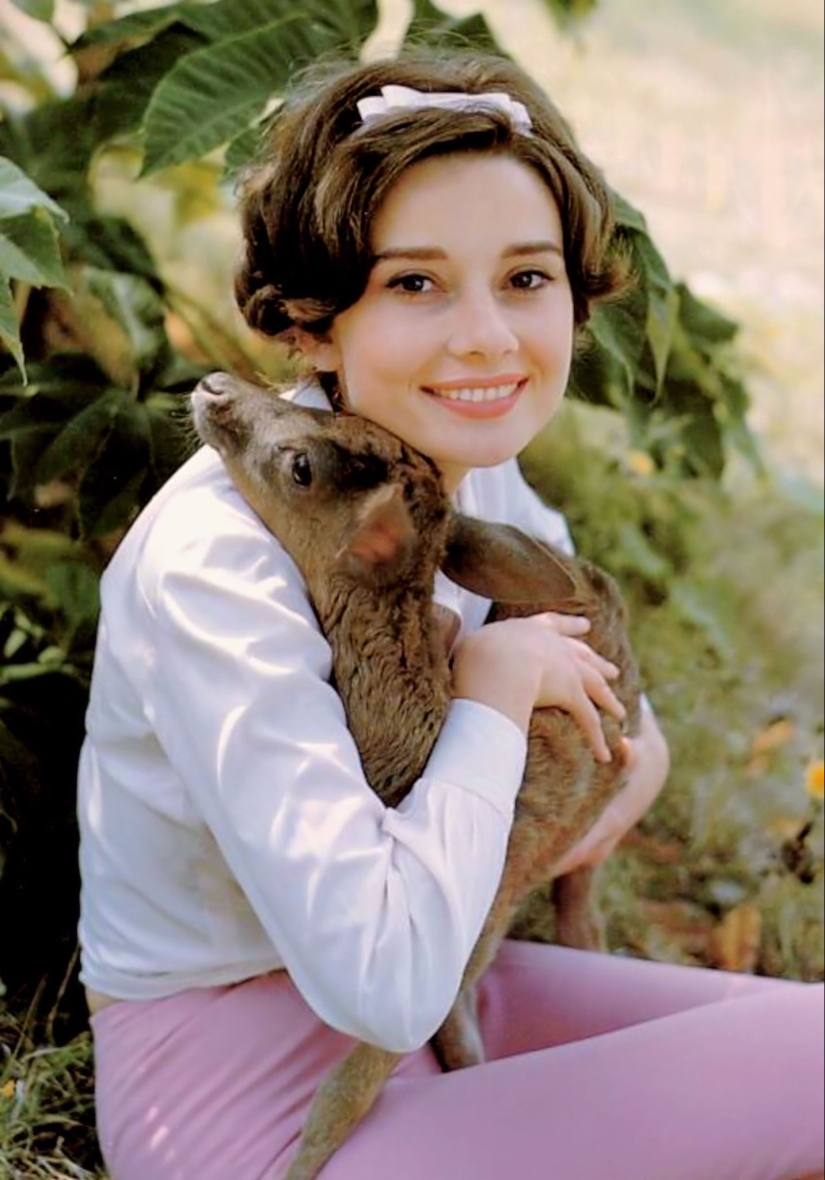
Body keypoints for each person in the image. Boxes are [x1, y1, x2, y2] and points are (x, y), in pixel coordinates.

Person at [78, 50, 824, 1180]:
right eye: (415, 284)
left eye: (525, 278)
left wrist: (595, 746)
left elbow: (627, 742)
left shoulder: (459, 456)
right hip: (259, 1107)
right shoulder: (221, 561)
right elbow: (380, 968)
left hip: (444, 995)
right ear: (317, 322)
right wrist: (493, 696)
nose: (486, 337)